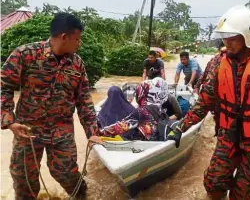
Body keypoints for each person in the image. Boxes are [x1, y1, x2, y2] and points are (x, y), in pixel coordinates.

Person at [167, 6, 250, 200]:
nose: (226, 43)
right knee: (213, 183)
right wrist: (181, 127)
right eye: (224, 37)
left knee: (241, 194)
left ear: (248, 37)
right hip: (228, 134)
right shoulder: (219, 63)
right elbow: (204, 101)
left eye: (232, 38)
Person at [1, 13, 102, 199]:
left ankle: (82, 196)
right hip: (27, 129)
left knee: (67, 174)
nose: (79, 44)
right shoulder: (25, 54)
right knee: (23, 179)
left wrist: (92, 132)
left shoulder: (77, 64)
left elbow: (84, 100)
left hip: (61, 130)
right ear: (64, 37)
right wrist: (9, 121)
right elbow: (4, 86)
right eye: (77, 39)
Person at [101, 77, 169, 141]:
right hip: (157, 139)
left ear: (141, 94)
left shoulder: (140, 111)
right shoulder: (160, 108)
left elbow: (119, 127)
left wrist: (100, 133)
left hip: (144, 143)